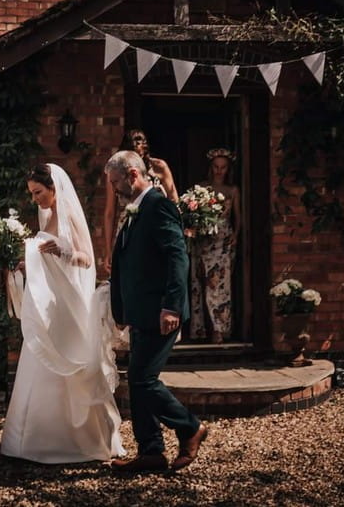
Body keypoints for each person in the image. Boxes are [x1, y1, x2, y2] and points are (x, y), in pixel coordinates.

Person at [0, 163, 125, 463]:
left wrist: (63, 252)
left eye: (39, 192)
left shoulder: (68, 214)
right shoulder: (46, 215)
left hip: (68, 305)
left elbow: (86, 259)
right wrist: (26, 265)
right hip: (50, 304)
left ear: (54, 188)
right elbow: (45, 261)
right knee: (39, 359)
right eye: (31, 194)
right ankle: (30, 440)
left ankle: (78, 441)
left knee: (68, 362)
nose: (35, 199)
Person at [106, 150, 208, 473]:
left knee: (143, 378)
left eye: (116, 182)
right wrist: (121, 309)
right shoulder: (135, 210)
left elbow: (178, 258)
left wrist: (171, 305)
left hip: (161, 311)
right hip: (140, 312)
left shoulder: (159, 206)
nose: (114, 189)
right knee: (137, 380)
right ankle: (151, 451)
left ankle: (190, 427)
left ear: (133, 175)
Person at [103, 129, 178, 273]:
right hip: (129, 219)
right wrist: (108, 250)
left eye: (140, 153)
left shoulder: (159, 167)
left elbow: (173, 199)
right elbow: (110, 212)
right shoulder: (116, 172)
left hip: (156, 220)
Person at [190, 148, 241, 344]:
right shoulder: (202, 187)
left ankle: (219, 330)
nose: (220, 171)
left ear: (228, 169)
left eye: (223, 167)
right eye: (216, 167)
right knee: (199, 283)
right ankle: (200, 329)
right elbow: (193, 215)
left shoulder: (233, 190)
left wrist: (235, 235)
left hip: (223, 240)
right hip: (203, 240)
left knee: (219, 285)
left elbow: (238, 217)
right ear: (211, 168)